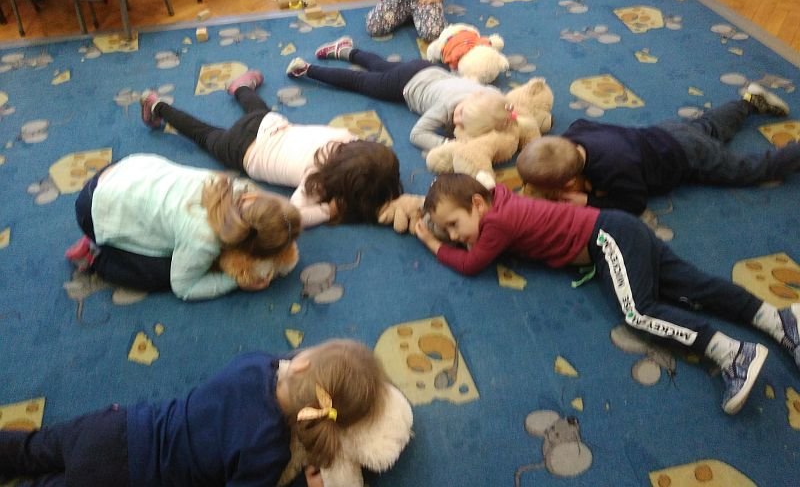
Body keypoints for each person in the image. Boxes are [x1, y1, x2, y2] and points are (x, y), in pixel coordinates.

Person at [414, 173, 800, 415]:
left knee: (638, 313)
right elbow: (475, 223)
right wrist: (446, 220)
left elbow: (471, 263)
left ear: (477, 203)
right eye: (448, 231)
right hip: (618, 227)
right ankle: (779, 319)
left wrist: (432, 242)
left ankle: (732, 353)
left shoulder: (497, 223)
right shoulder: (498, 198)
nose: (455, 235)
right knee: (691, 284)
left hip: (605, 240)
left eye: (455, 225)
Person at [0, 339, 393, 487]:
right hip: (129, 479)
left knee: (34, 447)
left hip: (116, 426)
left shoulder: (255, 364)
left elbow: (282, 365)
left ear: (302, 362)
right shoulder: (269, 451)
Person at [139, 69, 403, 228]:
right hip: (245, 151)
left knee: (257, 109)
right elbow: (294, 214)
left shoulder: (347, 137)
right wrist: (327, 211)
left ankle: (241, 88)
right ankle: (158, 106)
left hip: (270, 124)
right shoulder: (317, 179)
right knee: (204, 134)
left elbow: (370, 161)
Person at [516, 83, 799, 215]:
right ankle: (749, 101)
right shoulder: (573, 135)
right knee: (709, 126)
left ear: (569, 183)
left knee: (747, 170)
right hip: (665, 132)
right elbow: (581, 123)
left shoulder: (614, 170)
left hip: (686, 157)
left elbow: (634, 203)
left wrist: (589, 202)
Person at [64, 153, 301, 301]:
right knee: (163, 274)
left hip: (123, 169)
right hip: (91, 211)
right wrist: (237, 281)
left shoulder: (239, 187)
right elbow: (184, 287)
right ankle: (96, 257)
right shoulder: (204, 239)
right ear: (246, 248)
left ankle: (116, 235)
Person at [286, 38, 515, 152]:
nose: (456, 118)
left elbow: (503, 104)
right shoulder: (445, 107)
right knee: (359, 81)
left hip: (425, 67)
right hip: (404, 85)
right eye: (460, 113)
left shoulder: (487, 96)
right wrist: (450, 144)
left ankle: (346, 49)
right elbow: (417, 134)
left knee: (379, 65)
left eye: (462, 122)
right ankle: (306, 69)